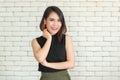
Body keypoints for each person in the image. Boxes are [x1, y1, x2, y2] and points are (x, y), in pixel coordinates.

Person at [31, 6, 75, 80]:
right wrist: (49, 39)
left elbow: (71, 64)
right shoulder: (35, 41)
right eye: (52, 20)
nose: (55, 24)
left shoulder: (66, 39)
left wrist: (47, 64)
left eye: (59, 20)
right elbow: (40, 58)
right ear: (45, 21)